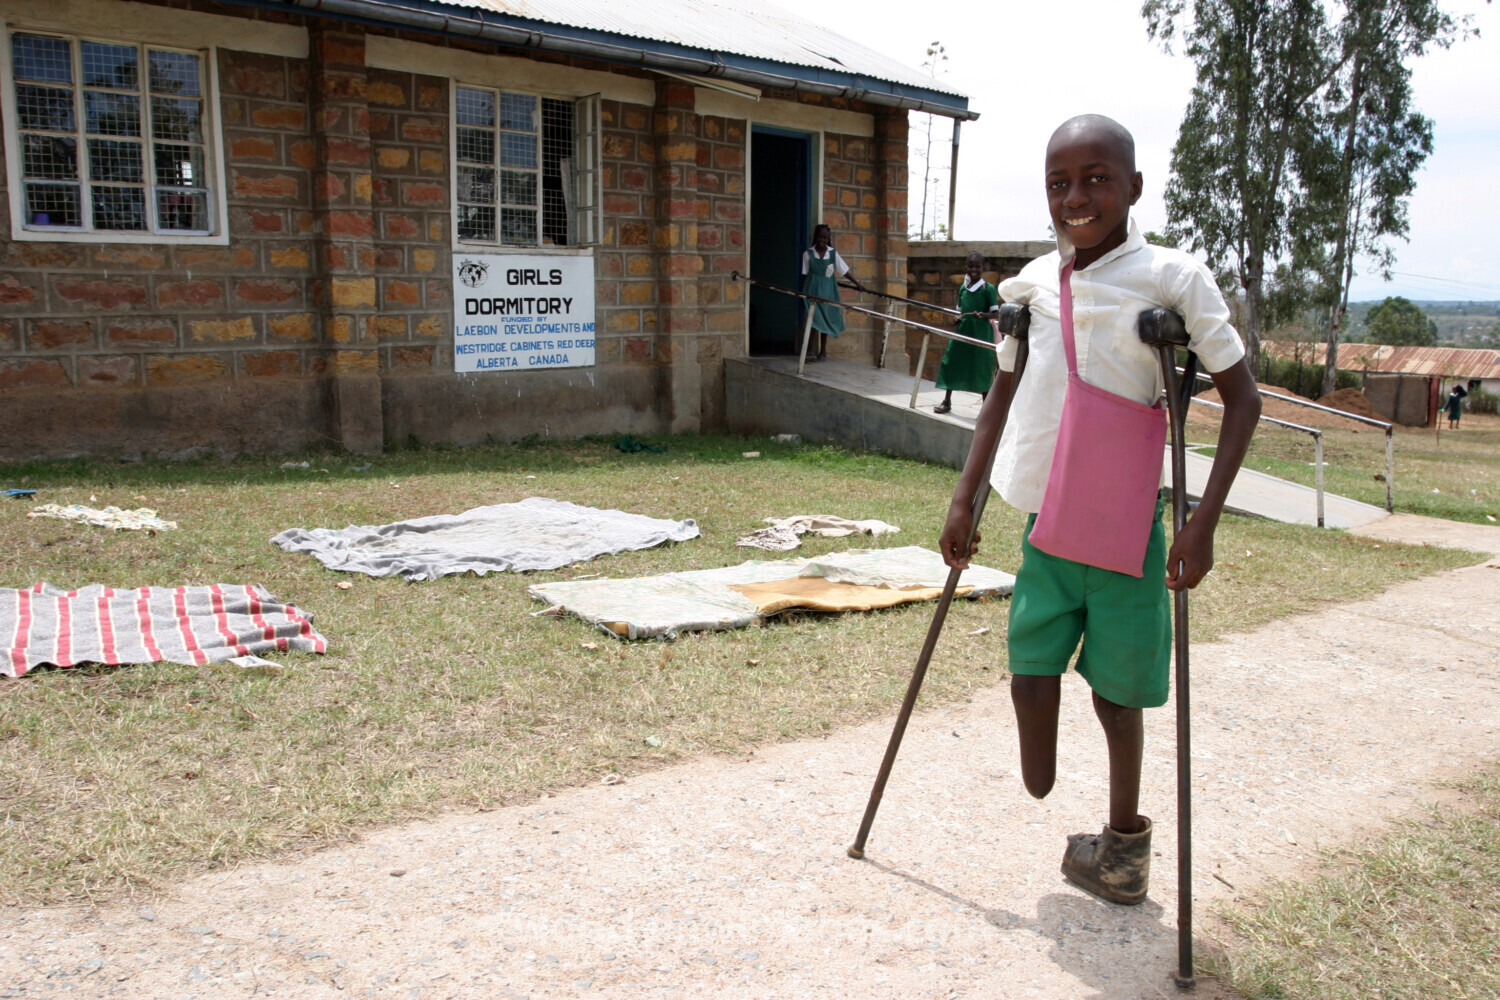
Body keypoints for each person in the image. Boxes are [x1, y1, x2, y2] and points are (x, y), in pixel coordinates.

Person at [939, 114, 1261, 905]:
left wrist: (1202, 522)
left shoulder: (1173, 278)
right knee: (1029, 671)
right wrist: (963, 496)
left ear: (1134, 188)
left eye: (1096, 179)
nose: (1076, 196)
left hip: (1127, 529)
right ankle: (1041, 777)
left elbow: (1243, 400)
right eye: (1060, 182)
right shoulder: (1032, 285)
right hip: (1047, 522)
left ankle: (1120, 850)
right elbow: (999, 395)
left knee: (1119, 693)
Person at [934, 252, 1001, 414]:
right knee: (951, 362)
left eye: (977, 267)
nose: (974, 270)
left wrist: (983, 315)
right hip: (963, 331)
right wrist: (957, 320)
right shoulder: (963, 288)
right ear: (966, 267)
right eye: (971, 266)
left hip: (980, 333)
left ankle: (986, 409)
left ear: (983, 268)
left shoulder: (988, 289)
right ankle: (947, 401)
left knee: (981, 367)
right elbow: (960, 311)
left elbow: (996, 313)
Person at [800, 224, 863, 362]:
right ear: (815, 237)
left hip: (828, 290)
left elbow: (843, 270)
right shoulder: (808, 254)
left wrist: (857, 284)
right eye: (820, 237)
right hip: (812, 289)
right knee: (812, 319)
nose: (822, 240)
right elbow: (804, 274)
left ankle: (823, 350)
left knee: (825, 319)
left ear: (828, 239)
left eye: (825, 238)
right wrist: (802, 293)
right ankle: (809, 349)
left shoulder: (832, 253)